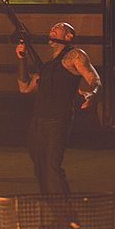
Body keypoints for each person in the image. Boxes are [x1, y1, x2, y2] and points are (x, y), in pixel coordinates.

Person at [15, 21, 101, 194]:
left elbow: (95, 79)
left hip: (57, 120)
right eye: (52, 26)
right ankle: (58, 215)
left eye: (60, 26)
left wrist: (93, 93)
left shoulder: (74, 56)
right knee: (40, 169)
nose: (53, 27)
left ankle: (68, 218)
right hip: (38, 121)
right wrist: (21, 59)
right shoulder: (46, 67)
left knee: (51, 168)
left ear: (69, 36)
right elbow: (24, 87)